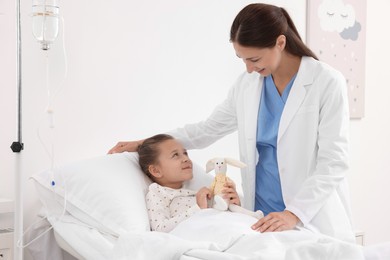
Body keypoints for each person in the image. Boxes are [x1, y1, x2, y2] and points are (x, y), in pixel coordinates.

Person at [109, 3, 355, 242]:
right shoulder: (247, 86)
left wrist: (294, 214)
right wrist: (145, 143)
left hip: (308, 216)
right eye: (242, 59)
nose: (248, 69)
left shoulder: (326, 81)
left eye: (254, 59)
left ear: (280, 42)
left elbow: (333, 162)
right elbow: (206, 130)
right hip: (261, 216)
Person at [139, 134, 261, 232]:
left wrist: (234, 204)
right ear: (155, 170)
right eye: (175, 155)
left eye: (185, 153)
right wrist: (198, 208)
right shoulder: (158, 193)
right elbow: (160, 230)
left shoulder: (196, 192)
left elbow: (219, 215)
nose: (186, 158)